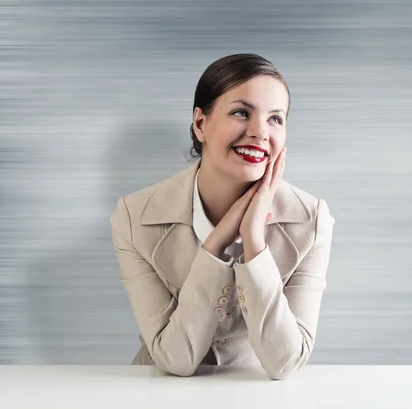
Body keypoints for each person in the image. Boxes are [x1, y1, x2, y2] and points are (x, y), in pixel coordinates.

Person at [109, 53, 335, 380]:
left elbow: (285, 362)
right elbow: (176, 360)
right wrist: (217, 242)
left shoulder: (310, 220)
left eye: (276, 119)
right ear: (200, 124)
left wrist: (254, 241)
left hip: (255, 400)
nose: (260, 132)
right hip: (157, 398)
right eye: (242, 112)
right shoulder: (133, 217)